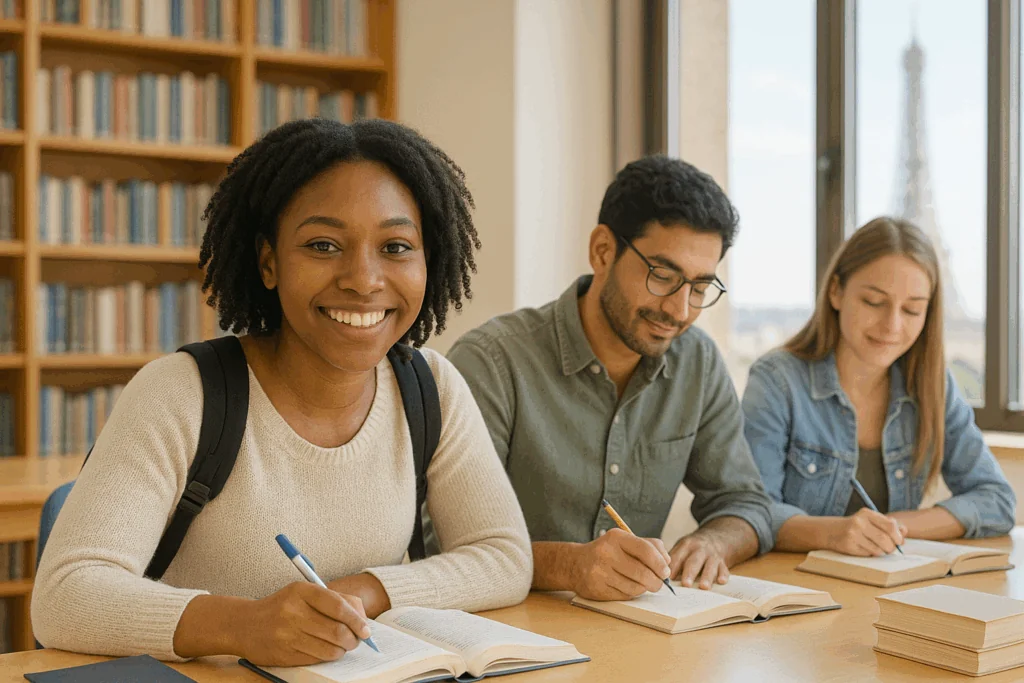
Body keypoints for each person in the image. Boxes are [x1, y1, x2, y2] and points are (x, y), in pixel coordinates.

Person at [30, 118, 532, 665]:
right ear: (269, 262)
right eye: (323, 245)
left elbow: (504, 556)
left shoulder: (430, 387)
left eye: (395, 246)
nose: (363, 279)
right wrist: (244, 626)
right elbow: (65, 595)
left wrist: (366, 589)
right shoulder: (182, 393)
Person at [446, 155, 774, 602]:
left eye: (699, 288)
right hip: (509, 639)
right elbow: (446, 542)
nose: (679, 312)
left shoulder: (697, 362)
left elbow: (745, 503)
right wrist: (570, 567)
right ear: (603, 251)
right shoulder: (492, 362)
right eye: (662, 276)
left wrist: (714, 542)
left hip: (638, 636)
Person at [742, 217, 1016, 557]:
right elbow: (750, 512)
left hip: (889, 586)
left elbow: (997, 500)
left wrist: (891, 527)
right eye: (874, 302)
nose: (892, 325)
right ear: (836, 291)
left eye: (913, 309)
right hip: (794, 589)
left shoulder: (931, 384)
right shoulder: (777, 380)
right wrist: (834, 533)